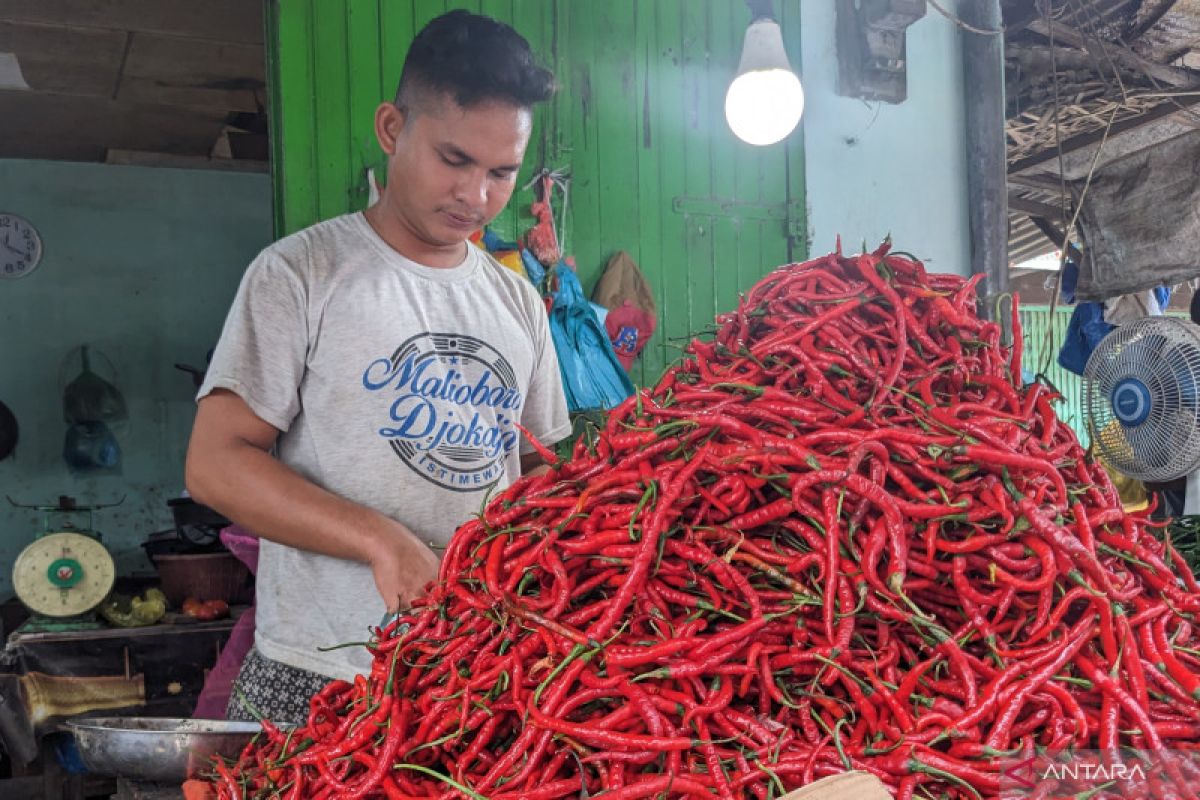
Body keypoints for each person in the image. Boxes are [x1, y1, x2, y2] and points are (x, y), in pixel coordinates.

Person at [185, 10, 571, 724]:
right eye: (454, 160)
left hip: (473, 666)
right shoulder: (301, 273)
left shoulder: (518, 303)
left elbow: (537, 473)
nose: (476, 196)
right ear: (392, 129)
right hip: (319, 669)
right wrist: (381, 540)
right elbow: (214, 464)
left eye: (501, 173)